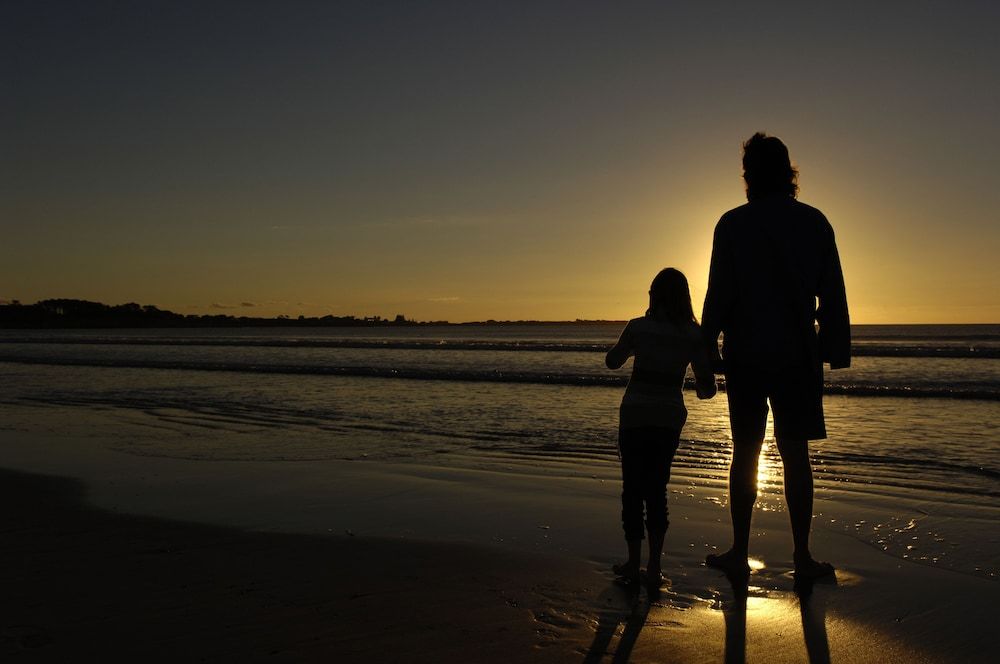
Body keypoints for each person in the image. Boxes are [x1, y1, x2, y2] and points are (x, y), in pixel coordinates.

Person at [701, 132, 850, 582]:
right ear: (789, 173)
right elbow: (834, 295)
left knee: (745, 451)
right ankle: (801, 557)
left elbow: (718, 295)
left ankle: (739, 551)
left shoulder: (732, 224)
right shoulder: (814, 222)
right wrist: (834, 351)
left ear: (750, 175)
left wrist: (706, 350)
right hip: (796, 354)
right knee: (795, 453)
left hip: (746, 352)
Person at [606, 268, 717, 588]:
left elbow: (613, 362)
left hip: (635, 413)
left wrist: (626, 348)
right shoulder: (693, 335)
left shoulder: (638, 327)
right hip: (668, 416)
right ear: (685, 298)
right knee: (657, 489)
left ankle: (632, 561)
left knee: (632, 488)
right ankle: (653, 567)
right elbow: (706, 389)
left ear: (653, 295)